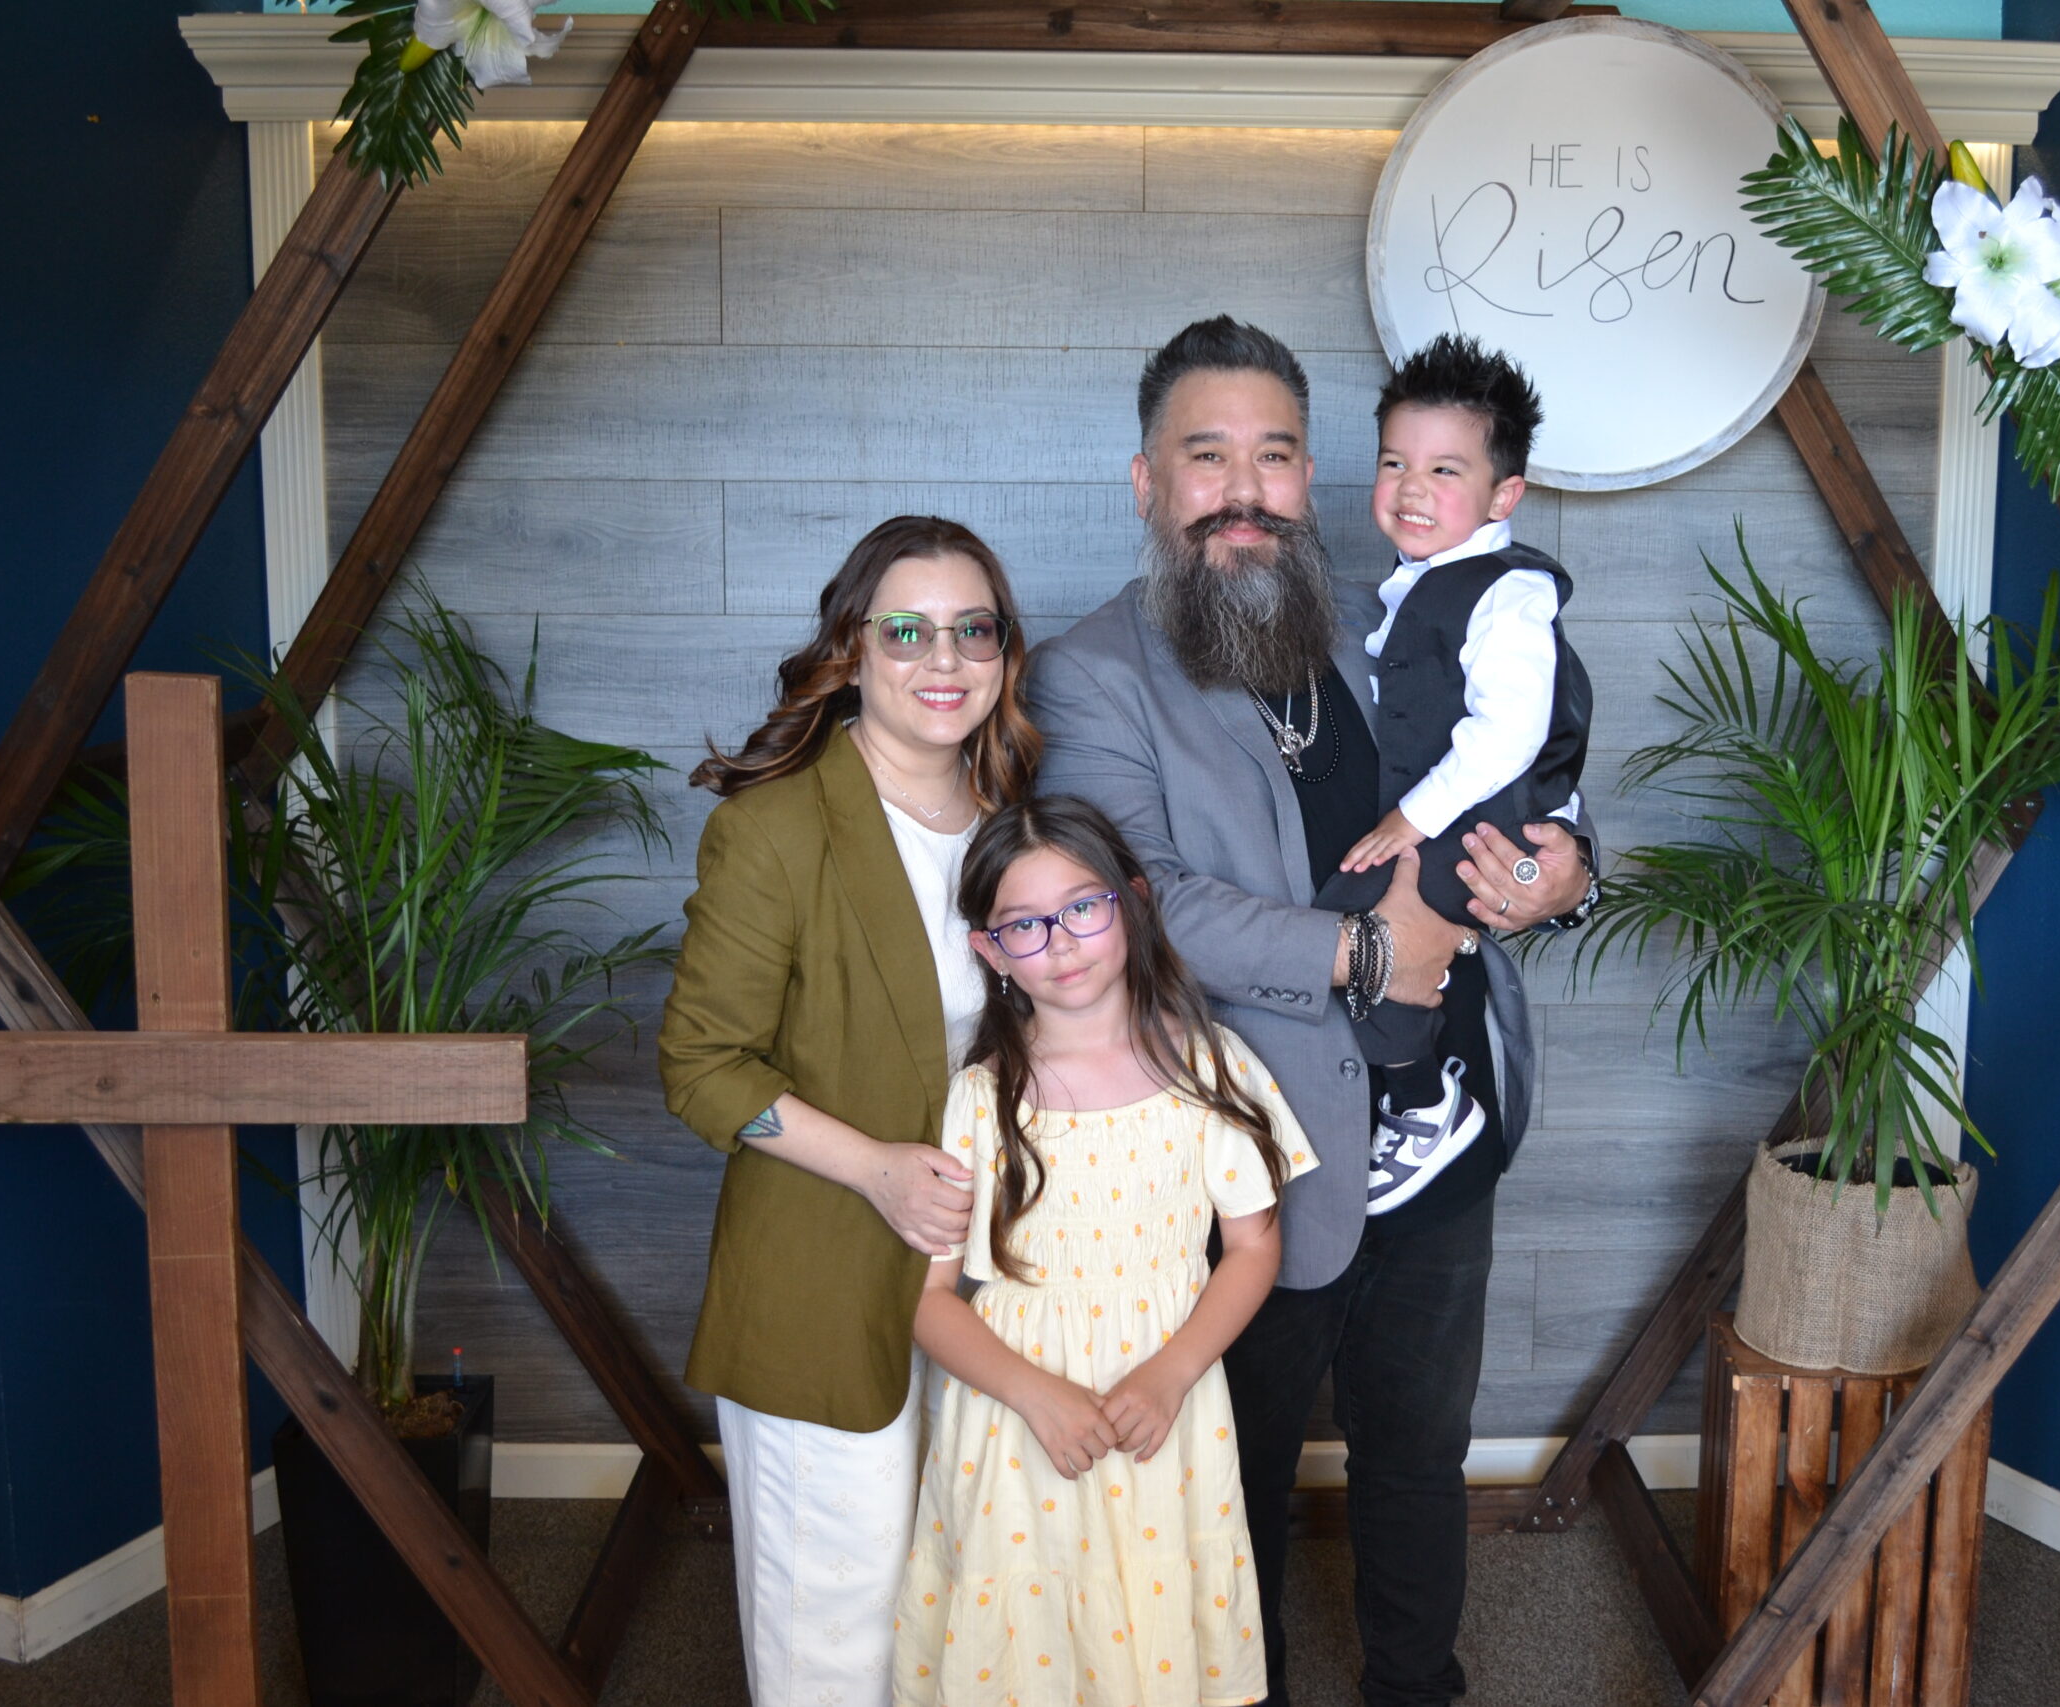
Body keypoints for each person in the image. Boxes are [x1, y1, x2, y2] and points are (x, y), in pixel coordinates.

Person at [1025, 318, 1598, 1707]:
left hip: (1440, 1133)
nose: (1244, 489)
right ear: (1147, 481)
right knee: (1236, 1476)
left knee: (1419, 1450)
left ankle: (1420, 1687)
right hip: (1244, 1166)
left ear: (1308, 475)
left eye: (1274, 456)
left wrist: (1568, 872)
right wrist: (1366, 953)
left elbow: (1524, 763)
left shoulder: (1392, 612)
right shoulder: (1091, 672)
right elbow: (1136, 901)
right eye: (1206, 455)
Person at [659, 515, 1040, 1707]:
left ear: (1005, 652)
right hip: (824, 1274)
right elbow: (702, 1066)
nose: (945, 659)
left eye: (973, 630)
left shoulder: (1018, 820)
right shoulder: (773, 827)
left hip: (992, 1281)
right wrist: (877, 1168)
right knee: (838, 1632)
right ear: (851, 648)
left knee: (968, 1609)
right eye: (907, 632)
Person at [892, 795, 1318, 1707]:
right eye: (1026, 925)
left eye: (1083, 907)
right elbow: (928, 1298)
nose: (1062, 942)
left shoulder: (1210, 1065)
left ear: (1131, 902)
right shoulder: (978, 1098)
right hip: (1015, 1422)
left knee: (1155, 1618)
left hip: (1164, 1403)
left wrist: (1170, 1373)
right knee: (1032, 1627)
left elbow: (1253, 1245)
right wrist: (1033, 1393)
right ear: (991, 951)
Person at [1323, 334, 1592, 1212]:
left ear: (1504, 494)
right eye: (1394, 462)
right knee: (1351, 928)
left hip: (1477, 824)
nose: (1411, 488)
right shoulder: (1417, 585)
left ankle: (1422, 1103)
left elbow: (1514, 731)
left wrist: (1414, 817)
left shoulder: (1508, 592)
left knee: (1352, 927)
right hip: (1464, 816)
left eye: (1444, 470)